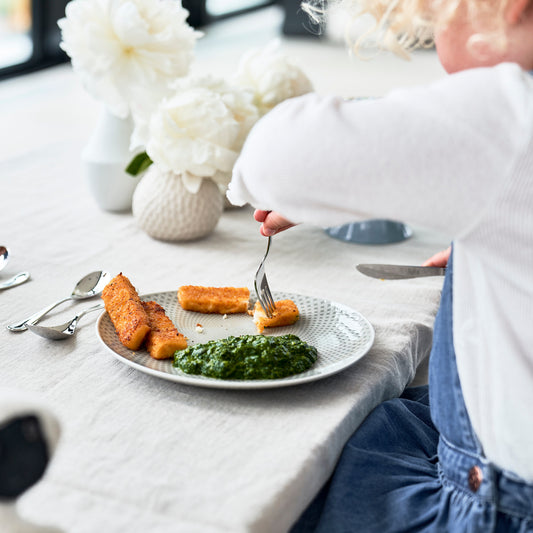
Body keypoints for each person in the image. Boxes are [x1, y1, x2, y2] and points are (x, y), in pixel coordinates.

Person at [227, 0, 533, 530]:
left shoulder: (510, 111)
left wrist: (333, 170)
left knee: (282, 479)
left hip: (499, 502)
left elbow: (270, 159)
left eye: (437, 19)